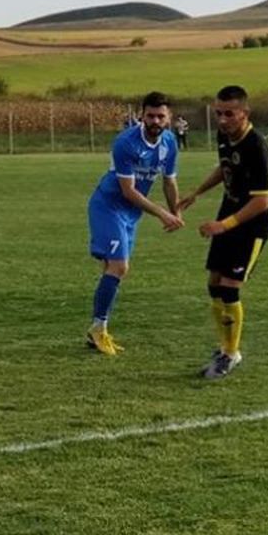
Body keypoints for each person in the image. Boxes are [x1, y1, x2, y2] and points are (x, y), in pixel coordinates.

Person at [178, 85, 268, 380]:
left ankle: (231, 354)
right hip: (228, 214)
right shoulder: (225, 136)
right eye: (218, 113)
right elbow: (224, 167)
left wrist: (224, 225)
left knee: (230, 286)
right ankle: (224, 347)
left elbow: (262, 201)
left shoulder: (256, 147)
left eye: (228, 114)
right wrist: (198, 192)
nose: (222, 120)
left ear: (245, 113)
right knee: (214, 283)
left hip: (251, 224)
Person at [86, 91, 184, 355]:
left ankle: (97, 329)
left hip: (131, 213)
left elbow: (169, 180)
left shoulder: (170, 143)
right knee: (119, 266)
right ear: (142, 115)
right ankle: (98, 329)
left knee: (112, 269)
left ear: (169, 118)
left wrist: (176, 212)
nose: (155, 121)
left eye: (160, 116)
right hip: (108, 206)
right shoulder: (126, 142)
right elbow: (128, 191)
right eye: (150, 115)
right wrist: (163, 214)